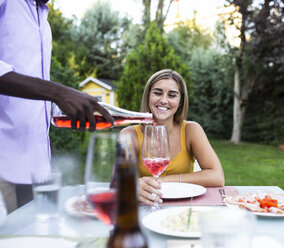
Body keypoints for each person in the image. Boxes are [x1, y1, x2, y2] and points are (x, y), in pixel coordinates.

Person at [0, 0, 114, 213]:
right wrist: (58, 93)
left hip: (35, 168)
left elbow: (30, 105)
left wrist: (51, 161)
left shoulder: (43, 21)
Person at [120, 69, 225, 206]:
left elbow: (217, 176)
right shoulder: (130, 135)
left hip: (184, 208)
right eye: (157, 93)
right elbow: (117, 181)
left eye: (172, 95)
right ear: (148, 96)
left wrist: (163, 181)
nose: (163, 100)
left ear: (180, 101)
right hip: (144, 207)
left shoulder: (191, 130)